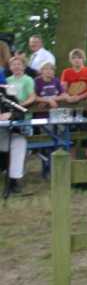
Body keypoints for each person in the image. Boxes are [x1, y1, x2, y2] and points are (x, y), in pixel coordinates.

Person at [1, 56, 34, 195]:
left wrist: (10, 114)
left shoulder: (6, 92)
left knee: (19, 141)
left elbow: (20, 112)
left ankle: (13, 181)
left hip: (3, 134)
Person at [61, 48, 87, 160]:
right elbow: (63, 88)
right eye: (74, 58)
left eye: (79, 57)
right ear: (70, 60)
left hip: (84, 106)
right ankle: (72, 162)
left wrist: (79, 97)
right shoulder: (66, 72)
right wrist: (68, 98)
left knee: (86, 134)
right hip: (70, 107)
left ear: (83, 59)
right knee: (71, 135)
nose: (77, 60)